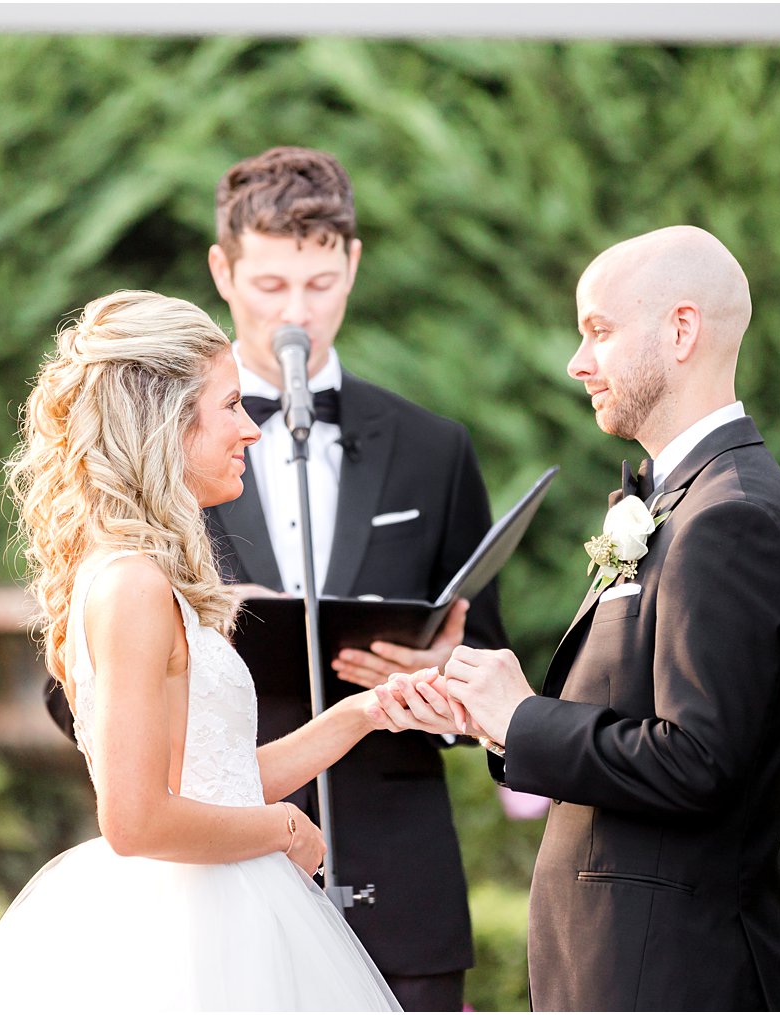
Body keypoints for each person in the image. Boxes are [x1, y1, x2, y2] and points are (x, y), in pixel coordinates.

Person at [372, 226, 780, 1011]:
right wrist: (489, 713)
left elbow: (702, 763)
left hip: (675, 978)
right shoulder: (674, 502)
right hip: (618, 969)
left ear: (682, 331)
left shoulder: (730, 517)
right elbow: (636, 724)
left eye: (599, 332)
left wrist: (526, 719)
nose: (577, 363)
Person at [0, 290, 400, 1011]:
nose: (251, 429)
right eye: (231, 405)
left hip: (222, 905)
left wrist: (365, 712)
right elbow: (135, 818)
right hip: (191, 930)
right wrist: (285, 828)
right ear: (168, 421)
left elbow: (220, 781)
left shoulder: (147, 577)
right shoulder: (131, 586)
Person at [204, 146, 511, 1011]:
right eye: (270, 287)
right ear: (223, 271)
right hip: (216, 884)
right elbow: (72, 685)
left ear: (354, 266)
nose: (296, 314)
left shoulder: (434, 449)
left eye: (320, 284)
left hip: (399, 890)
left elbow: (484, 646)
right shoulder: (158, 453)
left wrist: (443, 680)